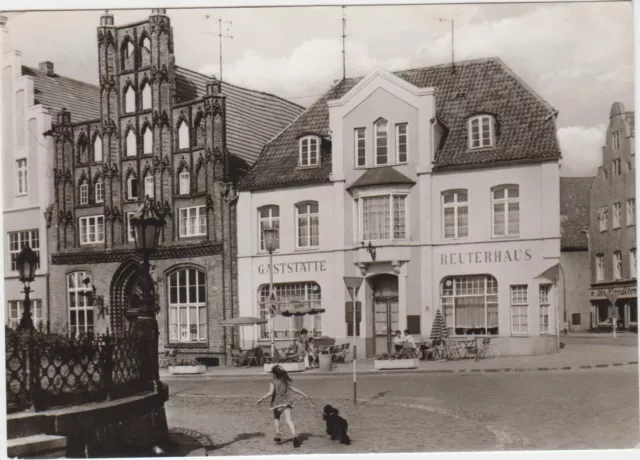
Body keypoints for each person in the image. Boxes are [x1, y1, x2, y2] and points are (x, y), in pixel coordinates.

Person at [257, 364, 315, 447]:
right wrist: (304, 394)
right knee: (289, 420)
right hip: (286, 401)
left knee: (276, 418)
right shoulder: (284, 380)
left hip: (277, 403)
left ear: (274, 374)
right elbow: (294, 389)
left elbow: (270, 393)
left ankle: (278, 435)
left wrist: (261, 399)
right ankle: (295, 436)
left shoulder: (273, 381)